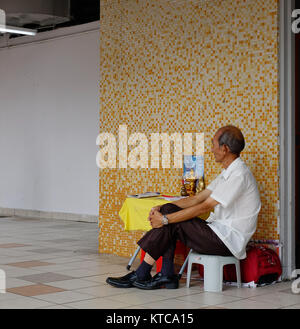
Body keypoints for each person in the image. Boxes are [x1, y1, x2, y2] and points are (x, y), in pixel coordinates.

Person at [106, 125, 261, 290]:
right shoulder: (227, 173)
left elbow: (204, 206)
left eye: (213, 144)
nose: (211, 149)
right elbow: (197, 198)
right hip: (218, 232)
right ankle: (162, 275)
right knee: (169, 213)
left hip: (227, 241)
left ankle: (146, 272)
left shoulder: (239, 175)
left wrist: (165, 220)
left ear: (224, 148)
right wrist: (163, 207)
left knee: (172, 222)